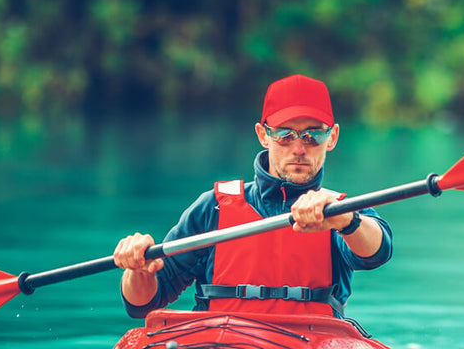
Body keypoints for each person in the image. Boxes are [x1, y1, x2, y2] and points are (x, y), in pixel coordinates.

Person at [112, 74, 392, 318]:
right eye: (285, 134)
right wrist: (137, 269)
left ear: (331, 138)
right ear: (263, 135)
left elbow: (378, 252)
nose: (298, 148)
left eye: (312, 135)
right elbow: (142, 304)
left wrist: (346, 220)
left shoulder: (340, 210)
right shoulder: (213, 208)